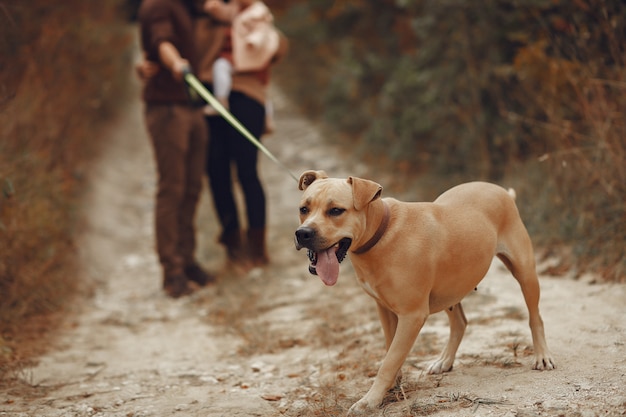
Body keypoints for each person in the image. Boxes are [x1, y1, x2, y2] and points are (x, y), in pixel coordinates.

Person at [195, 1, 288, 269]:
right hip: (210, 99)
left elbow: (279, 46)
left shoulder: (251, 14)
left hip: (248, 97)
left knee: (247, 172)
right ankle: (233, 246)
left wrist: (263, 41)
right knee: (216, 173)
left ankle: (258, 248)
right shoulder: (201, 21)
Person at [137, 0, 215, 297]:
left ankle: (187, 259)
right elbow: (162, 41)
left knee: (192, 187)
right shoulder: (158, 4)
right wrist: (176, 64)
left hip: (189, 106)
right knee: (173, 188)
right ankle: (172, 272)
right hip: (167, 108)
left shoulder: (187, 6)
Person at [202, 0, 279, 133]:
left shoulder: (259, 11)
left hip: (249, 54)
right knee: (221, 67)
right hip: (238, 56)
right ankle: (221, 99)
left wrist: (253, 41)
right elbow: (225, 14)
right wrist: (215, 9)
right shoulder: (235, 8)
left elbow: (263, 31)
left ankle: (268, 118)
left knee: (261, 91)